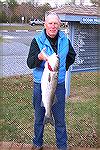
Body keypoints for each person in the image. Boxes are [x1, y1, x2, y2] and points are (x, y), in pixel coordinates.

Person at [27, 13, 76, 150]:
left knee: (60, 120)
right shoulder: (37, 41)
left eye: (55, 23)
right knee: (38, 118)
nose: (53, 26)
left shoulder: (65, 40)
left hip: (58, 85)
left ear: (59, 25)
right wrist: (39, 57)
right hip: (40, 86)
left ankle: (62, 146)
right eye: (50, 23)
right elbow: (30, 63)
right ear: (45, 24)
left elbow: (72, 56)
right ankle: (37, 143)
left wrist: (61, 68)